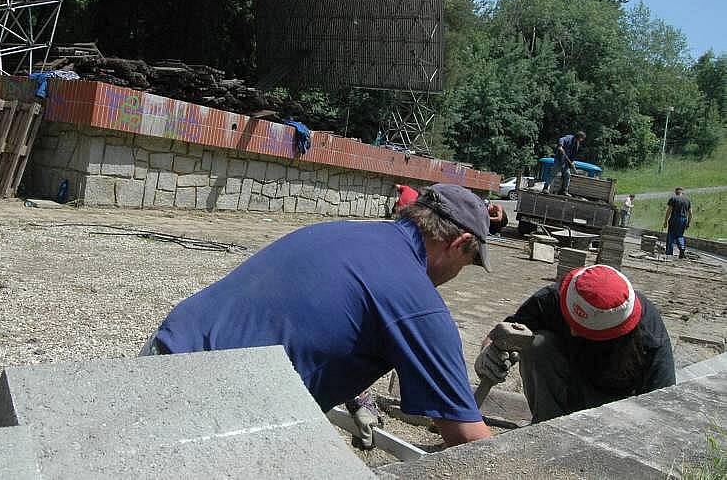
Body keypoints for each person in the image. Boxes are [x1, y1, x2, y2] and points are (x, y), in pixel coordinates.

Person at [141, 184, 494, 447]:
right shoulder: (418, 302)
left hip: (159, 355)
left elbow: (310, 324)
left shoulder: (337, 231)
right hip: (207, 408)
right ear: (459, 243)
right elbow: (469, 441)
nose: (457, 275)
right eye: (467, 263)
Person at [474, 265, 674, 423]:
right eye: (570, 320)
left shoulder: (648, 333)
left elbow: (662, 404)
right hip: (567, 387)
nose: (573, 331)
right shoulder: (561, 296)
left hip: (616, 410)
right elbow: (507, 329)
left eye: (585, 330)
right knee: (537, 344)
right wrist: (488, 351)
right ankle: (546, 426)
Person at [541, 131, 586, 196]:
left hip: (566, 162)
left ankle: (564, 191)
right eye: (582, 139)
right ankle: (545, 188)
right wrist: (560, 146)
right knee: (553, 174)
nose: (581, 140)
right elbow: (561, 139)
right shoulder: (569, 138)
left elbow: (573, 155)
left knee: (567, 175)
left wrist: (572, 162)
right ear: (579, 137)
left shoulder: (577, 144)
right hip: (559, 160)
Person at [663, 187, 692, 258]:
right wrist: (688, 222)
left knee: (671, 235)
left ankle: (669, 253)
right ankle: (682, 248)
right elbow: (691, 213)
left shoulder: (673, 199)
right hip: (683, 219)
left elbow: (669, 211)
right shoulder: (688, 200)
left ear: (676, 193)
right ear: (682, 192)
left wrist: (665, 221)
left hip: (674, 218)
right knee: (680, 235)